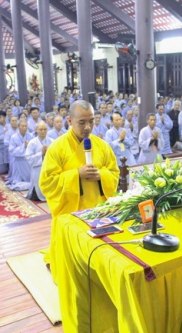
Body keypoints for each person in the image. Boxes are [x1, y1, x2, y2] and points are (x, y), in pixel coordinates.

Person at [39, 100, 119, 283]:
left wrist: (101, 175)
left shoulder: (102, 146)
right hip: (71, 213)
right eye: (81, 122)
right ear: (69, 120)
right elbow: (47, 182)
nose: (87, 127)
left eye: (91, 121)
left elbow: (114, 173)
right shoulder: (57, 148)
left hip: (99, 211)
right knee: (73, 271)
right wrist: (76, 175)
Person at [25, 122, 53, 201]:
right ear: (36, 130)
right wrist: (41, 153)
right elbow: (29, 158)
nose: (43, 131)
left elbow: (57, 156)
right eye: (41, 129)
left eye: (45, 129)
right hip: (38, 169)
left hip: (49, 169)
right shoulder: (32, 143)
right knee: (37, 191)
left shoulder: (52, 141)